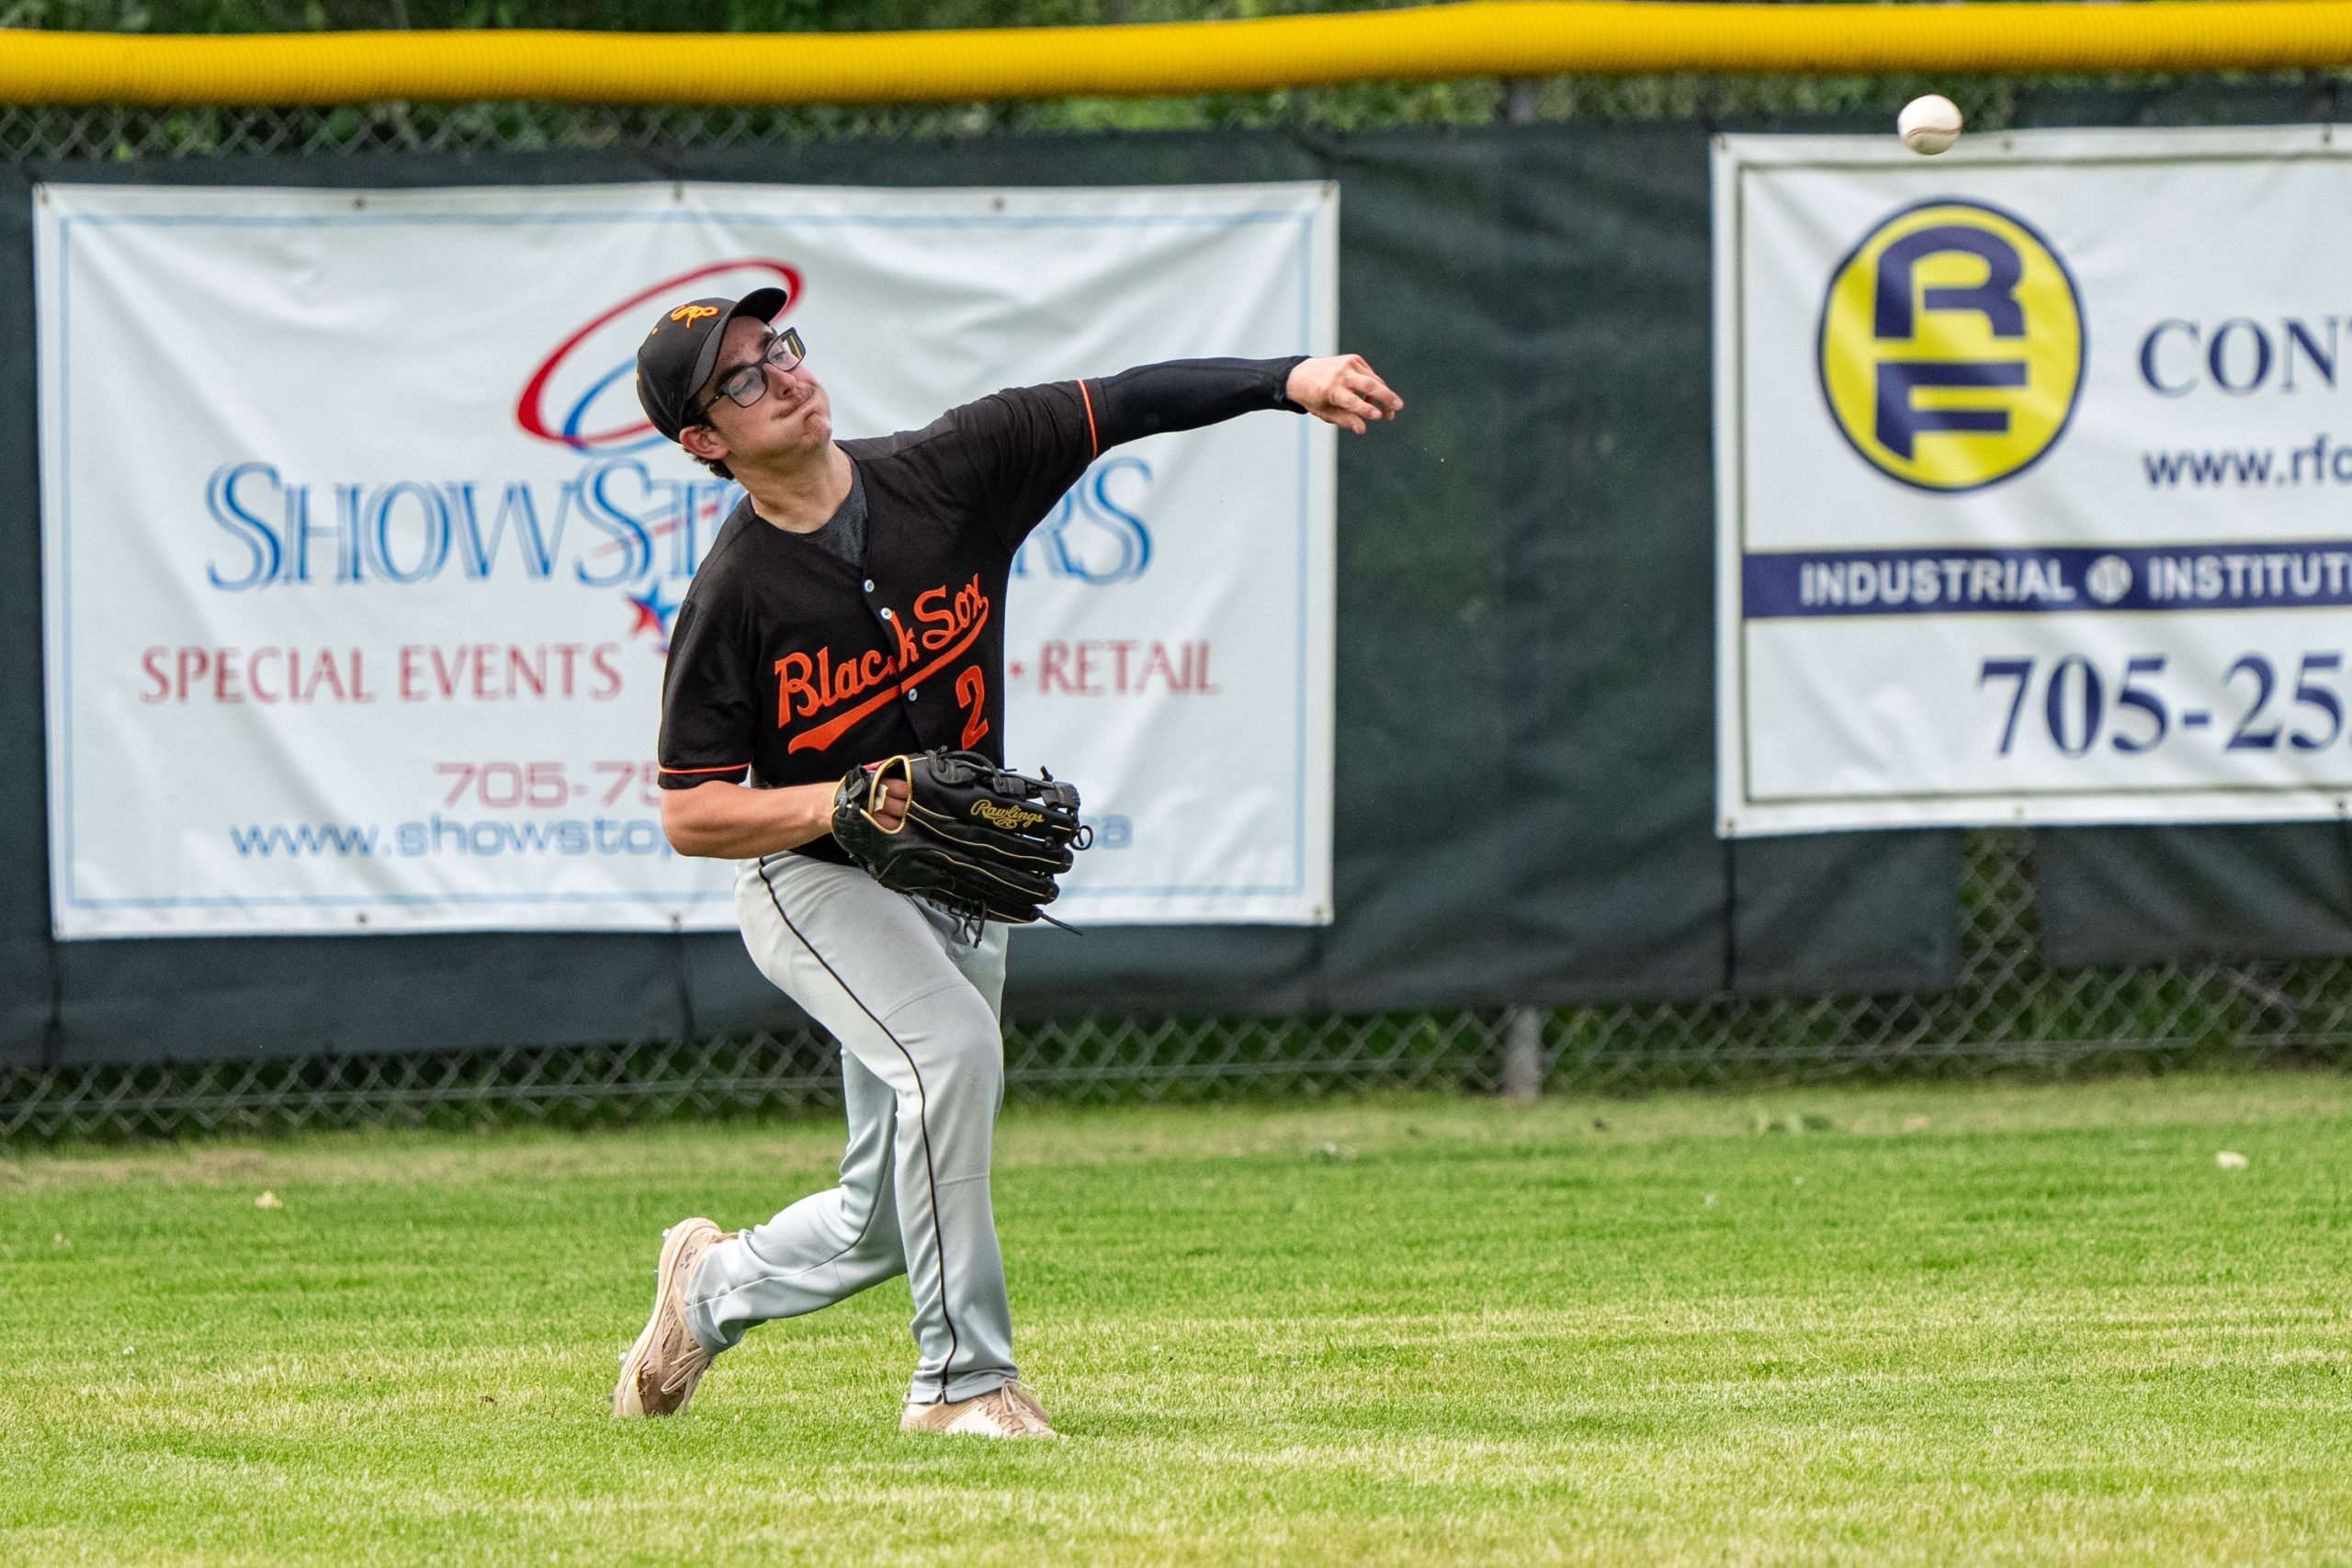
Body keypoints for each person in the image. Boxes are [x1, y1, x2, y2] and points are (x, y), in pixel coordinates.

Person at [611, 287, 1401, 1438]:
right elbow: (692, 812)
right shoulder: (734, 593)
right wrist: (839, 800)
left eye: (776, 348)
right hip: (814, 878)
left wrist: (1285, 381)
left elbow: (1119, 404)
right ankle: (961, 1384)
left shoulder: (952, 468)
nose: (781, 375)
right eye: (740, 378)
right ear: (704, 441)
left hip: (957, 872)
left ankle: (708, 1289)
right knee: (951, 1053)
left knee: (886, 1216)